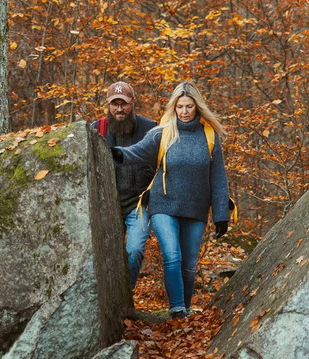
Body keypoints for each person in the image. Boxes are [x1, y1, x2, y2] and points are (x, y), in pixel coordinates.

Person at [110, 81, 230, 319]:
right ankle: (177, 309)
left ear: (197, 107)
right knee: (172, 256)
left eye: (189, 106)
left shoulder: (209, 136)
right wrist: (116, 153)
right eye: (180, 106)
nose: (184, 112)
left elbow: (218, 177)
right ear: (174, 107)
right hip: (163, 204)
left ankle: (185, 309)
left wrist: (221, 215)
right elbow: (137, 151)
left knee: (189, 265)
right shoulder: (163, 132)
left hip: (195, 208)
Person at [91, 81, 158, 287]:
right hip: (108, 205)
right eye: (115, 104)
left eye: (124, 104)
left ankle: (125, 294)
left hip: (138, 204)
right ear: (108, 104)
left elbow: (163, 165)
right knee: (106, 255)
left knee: (134, 250)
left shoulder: (151, 129)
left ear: (133, 103)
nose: (119, 109)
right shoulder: (97, 129)